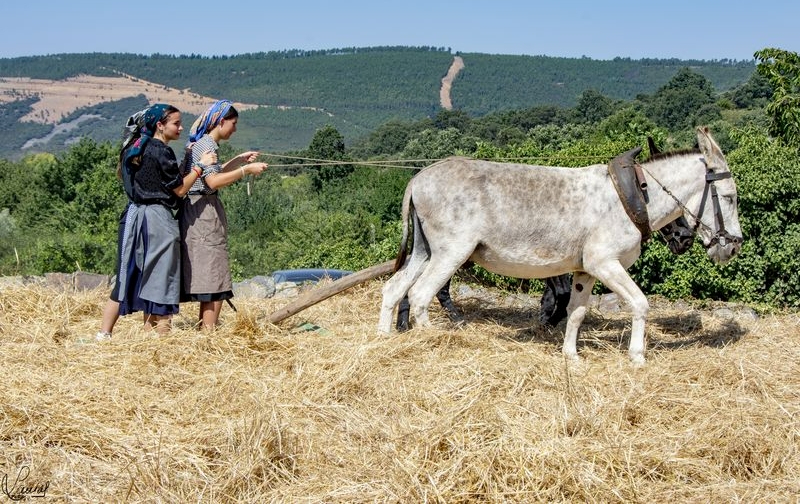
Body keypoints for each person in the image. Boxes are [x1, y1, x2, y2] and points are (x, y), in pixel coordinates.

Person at [96, 104, 216, 340]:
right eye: (176, 123)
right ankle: (159, 338)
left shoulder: (136, 147)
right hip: (156, 220)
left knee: (127, 275)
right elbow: (180, 189)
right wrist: (201, 166)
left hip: (133, 217)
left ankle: (105, 334)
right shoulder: (161, 151)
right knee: (161, 278)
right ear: (160, 125)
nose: (181, 127)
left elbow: (163, 179)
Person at [180, 99, 268, 330]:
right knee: (214, 275)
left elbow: (211, 174)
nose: (235, 129)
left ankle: (207, 329)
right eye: (233, 123)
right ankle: (207, 332)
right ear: (220, 122)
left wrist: (238, 160)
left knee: (213, 272)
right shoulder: (206, 146)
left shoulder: (203, 144)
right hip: (202, 213)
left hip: (201, 210)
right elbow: (212, 181)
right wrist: (244, 170)